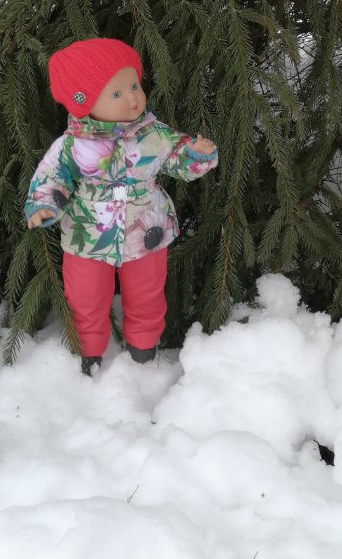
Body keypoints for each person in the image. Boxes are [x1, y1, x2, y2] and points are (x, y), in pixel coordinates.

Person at [25, 38, 218, 373]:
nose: (133, 98)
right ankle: (88, 354)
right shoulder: (71, 144)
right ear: (84, 103)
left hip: (146, 235)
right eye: (117, 93)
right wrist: (45, 205)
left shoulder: (152, 133)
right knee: (86, 299)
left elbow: (177, 157)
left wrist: (197, 154)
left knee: (147, 297)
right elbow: (52, 176)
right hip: (87, 237)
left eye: (134, 86)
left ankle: (143, 352)